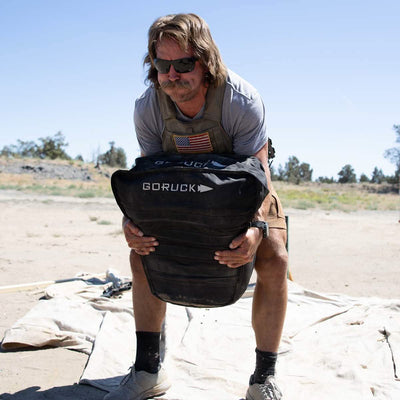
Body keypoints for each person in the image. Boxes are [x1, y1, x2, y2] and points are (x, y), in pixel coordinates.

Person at [105, 13, 288, 400]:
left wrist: (255, 229)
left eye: (184, 64)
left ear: (206, 61)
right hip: (179, 187)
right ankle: (148, 370)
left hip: (240, 190)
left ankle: (263, 378)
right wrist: (131, 222)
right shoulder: (148, 107)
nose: (172, 75)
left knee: (275, 256)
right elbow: (149, 176)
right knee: (142, 252)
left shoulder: (241, 101)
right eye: (162, 65)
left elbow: (259, 176)